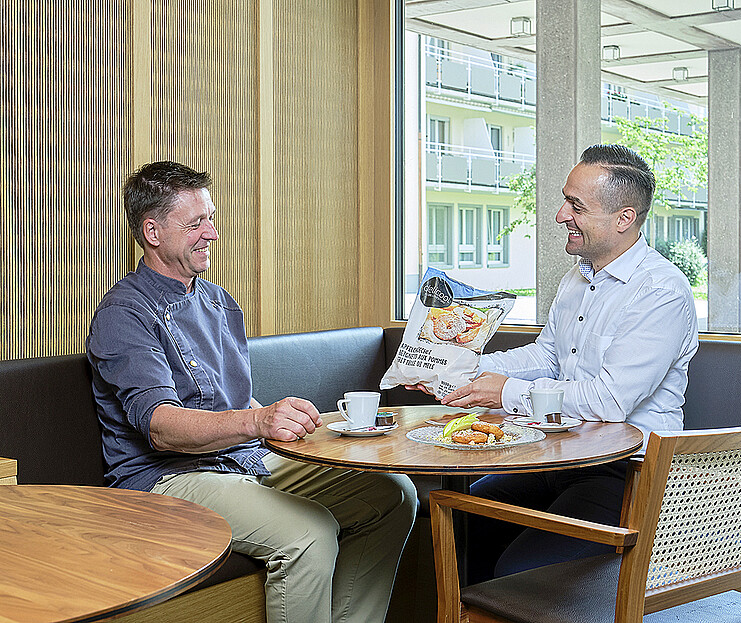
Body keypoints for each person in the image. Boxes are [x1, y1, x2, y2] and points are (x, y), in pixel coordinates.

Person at [87, 161, 417, 623]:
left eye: (212, 218)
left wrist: (307, 425)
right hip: (166, 480)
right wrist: (259, 422)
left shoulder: (219, 302)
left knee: (393, 494)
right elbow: (162, 428)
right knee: (310, 532)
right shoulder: (124, 314)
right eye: (196, 222)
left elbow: (236, 403)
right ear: (153, 232)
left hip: (239, 461)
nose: (213, 233)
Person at [431, 144, 698, 583]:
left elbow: (609, 400)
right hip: (560, 457)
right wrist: (467, 371)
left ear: (623, 218)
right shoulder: (577, 276)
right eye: (564, 200)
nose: (559, 215)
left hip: (626, 475)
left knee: (520, 572)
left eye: (576, 205)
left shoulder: (660, 292)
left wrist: (503, 392)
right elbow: (548, 356)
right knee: (461, 524)